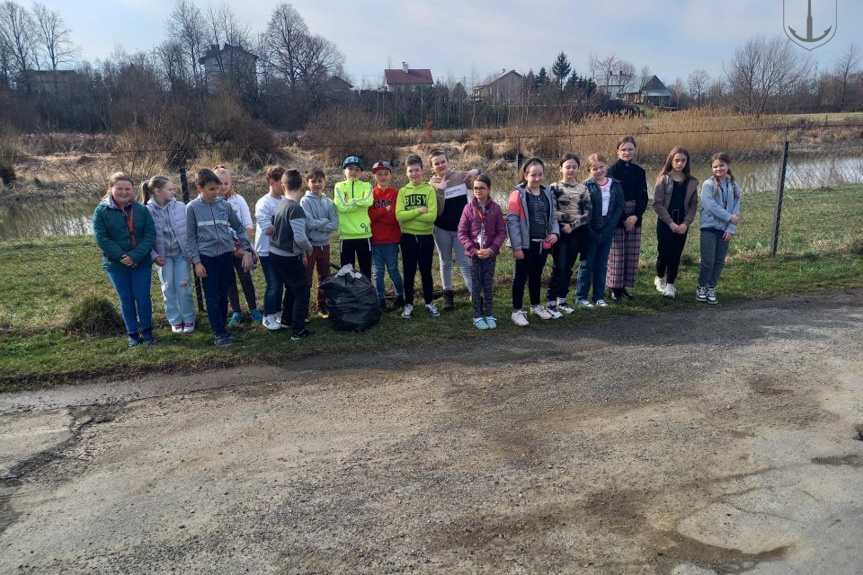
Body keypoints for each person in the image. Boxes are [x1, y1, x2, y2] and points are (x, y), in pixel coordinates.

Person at [186, 168, 254, 346]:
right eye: (211, 189)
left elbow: (239, 228)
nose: (216, 192)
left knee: (224, 294)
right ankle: (218, 332)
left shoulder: (225, 205)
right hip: (207, 258)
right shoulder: (192, 208)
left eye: (217, 188)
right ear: (199, 188)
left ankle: (223, 327)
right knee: (212, 296)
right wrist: (197, 262)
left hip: (225, 255)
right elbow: (190, 237)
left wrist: (246, 249)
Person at [93, 172, 156, 347]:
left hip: (141, 262)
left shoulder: (141, 210)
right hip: (116, 265)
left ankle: (147, 332)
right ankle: (132, 334)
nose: (124, 192)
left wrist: (135, 256)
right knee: (126, 298)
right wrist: (122, 257)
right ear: (111, 189)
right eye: (119, 189)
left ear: (132, 190)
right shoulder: (101, 211)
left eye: (127, 188)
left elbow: (150, 234)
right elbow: (101, 238)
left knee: (143, 297)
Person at [507, 157, 559, 327]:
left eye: (540, 175)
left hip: (542, 244)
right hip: (525, 245)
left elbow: (553, 217)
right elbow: (513, 221)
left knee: (536, 275)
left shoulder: (547, 192)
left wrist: (554, 233)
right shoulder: (517, 194)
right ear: (525, 175)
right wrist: (517, 246)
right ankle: (517, 310)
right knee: (521, 277)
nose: (537, 178)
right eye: (533, 175)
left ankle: (536, 306)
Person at [142, 175, 196, 334]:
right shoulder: (146, 211)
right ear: (157, 191)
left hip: (181, 256)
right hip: (163, 258)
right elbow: (144, 236)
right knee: (168, 288)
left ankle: (189, 318)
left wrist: (191, 252)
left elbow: (189, 231)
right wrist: (153, 255)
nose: (174, 191)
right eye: (170, 189)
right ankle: (175, 320)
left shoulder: (180, 206)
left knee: (184, 286)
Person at [429, 148, 479, 310]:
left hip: (461, 230)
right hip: (441, 229)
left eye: (443, 161)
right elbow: (438, 211)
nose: (441, 165)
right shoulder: (430, 185)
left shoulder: (460, 177)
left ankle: (475, 295)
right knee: (445, 262)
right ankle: (448, 296)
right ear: (432, 167)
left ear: (448, 162)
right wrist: (440, 190)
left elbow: (480, 184)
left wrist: (476, 171)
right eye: (437, 163)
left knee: (465, 262)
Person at [269, 168, 315, 340]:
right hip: (287, 255)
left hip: (275, 253)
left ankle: (287, 319)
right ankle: (298, 330)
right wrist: (308, 249)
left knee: (291, 288)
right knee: (302, 291)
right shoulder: (296, 209)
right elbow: (300, 237)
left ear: (283, 186)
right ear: (302, 185)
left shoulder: (281, 203)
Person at [214, 165, 261, 326]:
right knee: (229, 282)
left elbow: (248, 226)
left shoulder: (238, 200)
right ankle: (236, 312)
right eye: (219, 183)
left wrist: (241, 247)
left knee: (246, 279)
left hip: (241, 250)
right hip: (224, 251)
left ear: (231, 183)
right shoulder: (210, 203)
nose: (223, 186)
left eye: (226, 183)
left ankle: (254, 309)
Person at [457, 174, 506, 330]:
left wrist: (492, 249)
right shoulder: (468, 208)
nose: (478, 191)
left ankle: (489, 314)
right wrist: (473, 250)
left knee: (488, 285)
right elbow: (462, 233)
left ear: (489, 189)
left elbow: (501, 232)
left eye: (482, 188)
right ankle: (477, 316)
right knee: (476, 286)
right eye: (475, 188)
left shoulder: (496, 208)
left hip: (490, 255)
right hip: (474, 256)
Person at [575, 154, 624, 308]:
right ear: (589, 170)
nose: (599, 170)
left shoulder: (615, 185)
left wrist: (608, 229)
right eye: (594, 168)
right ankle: (581, 297)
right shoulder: (585, 186)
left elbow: (618, 207)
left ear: (606, 166)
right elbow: (581, 210)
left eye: (601, 167)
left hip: (607, 228)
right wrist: (591, 231)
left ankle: (599, 296)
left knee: (602, 264)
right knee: (587, 264)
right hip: (589, 229)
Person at [546, 153, 592, 316]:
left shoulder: (583, 188)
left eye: (574, 167)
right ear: (561, 168)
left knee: (569, 267)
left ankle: (562, 300)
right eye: (567, 167)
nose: (571, 170)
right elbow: (550, 211)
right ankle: (551, 302)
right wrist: (566, 219)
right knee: (559, 266)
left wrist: (572, 225)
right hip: (559, 232)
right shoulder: (553, 187)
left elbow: (588, 214)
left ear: (578, 168)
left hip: (576, 232)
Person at [395, 154, 438, 319]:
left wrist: (409, 215)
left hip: (426, 237)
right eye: (410, 171)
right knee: (409, 271)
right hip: (407, 237)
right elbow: (399, 216)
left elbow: (432, 217)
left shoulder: (429, 190)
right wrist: (419, 211)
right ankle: (409, 304)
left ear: (422, 171)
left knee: (426, 271)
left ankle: (429, 302)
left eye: (416, 170)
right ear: (406, 173)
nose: (413, 173)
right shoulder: (403, 191)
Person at [652, 147, 699, 299]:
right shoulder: (663, 180)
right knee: (664, 253)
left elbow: (693, 204)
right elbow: (657, 204)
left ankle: (670, 285)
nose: (679, 163)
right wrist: (670, 222)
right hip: (666, 223)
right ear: (671, 161)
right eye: (677, 160)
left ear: (687, 162)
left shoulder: (691, 182)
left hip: (682, 224)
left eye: (683, 160)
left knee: (676, 255)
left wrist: (686, 223)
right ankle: (660, 278)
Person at [607, 135, 648, 301]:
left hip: (634, 216)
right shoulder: (611, 171)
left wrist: (636, 216)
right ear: (617, 150)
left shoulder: (640, 172)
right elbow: (611, 196)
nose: (627, 152)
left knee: (631, 253)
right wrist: (624, 217)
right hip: (617, 215)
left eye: (630, 149)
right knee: (617, 253)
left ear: (635, 151)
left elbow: (643, 197)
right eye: (623, 149)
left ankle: (624, 287)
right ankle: (613, 287)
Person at [698, 152, 741, 305]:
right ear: (711, 168)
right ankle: (701, 286)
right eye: (715, 166)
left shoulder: (735, 186)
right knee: (708, 261)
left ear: (728, 166)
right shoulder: (708, 185)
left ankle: (711, 287)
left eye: (721, 165)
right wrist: (729, 217)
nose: (718, 169)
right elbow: (710, 206)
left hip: (725, 230)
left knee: (719, 261)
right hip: (709, 227)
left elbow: (736, 210)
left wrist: (731, 229)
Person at [300, 167, 339, 318]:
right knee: (307, 277)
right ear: (307, 183)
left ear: (324, 182)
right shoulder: (304, 201)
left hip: (325, 244)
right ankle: (303, 308)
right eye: (313, 181)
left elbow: (335, 224)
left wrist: (319, 224)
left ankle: (322, 305)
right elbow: (309, 223)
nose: (316, 184)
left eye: (320, 181)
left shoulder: (328, 202)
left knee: (325, 276)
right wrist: (325, 221)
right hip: (310, 245)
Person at [369, 161, 405, 311]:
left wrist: (379, 214)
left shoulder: (395, 193)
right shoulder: (370, 193)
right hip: (375, 239)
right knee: (377, 272)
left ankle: (399, 296)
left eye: (385, 173)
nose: (382, 176)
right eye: (379, 173)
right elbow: (370, 215)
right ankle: (380, 299)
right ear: (374, 176)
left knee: (393, 270)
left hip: (391, 239)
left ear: (390, 175)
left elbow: (394, 218)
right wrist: (385, 209)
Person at [255, 165, 286, 330]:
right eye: (282, 183)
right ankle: (267, 316)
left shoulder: (285, 200)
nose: (285, 187)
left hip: (281, 249)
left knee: (280, 283)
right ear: (272, 182)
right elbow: (268, 229)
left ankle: (277, 311)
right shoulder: (263, 203)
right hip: (267, 250)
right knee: (273, 283)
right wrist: (288, 223)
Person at [333, 155, 373, 278]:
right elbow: (340, 206)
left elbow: (368, 201)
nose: (354, 172)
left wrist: (351, 201)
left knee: (365, 271)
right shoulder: (339, 186)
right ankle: (349, 297)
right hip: (346, 235)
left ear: (361, 172)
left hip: (364, 234)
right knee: (347, 272)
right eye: (350, 168)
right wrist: (359, 204)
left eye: (357, 169)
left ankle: (366, 296)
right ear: (344, 171)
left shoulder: (367, 186)